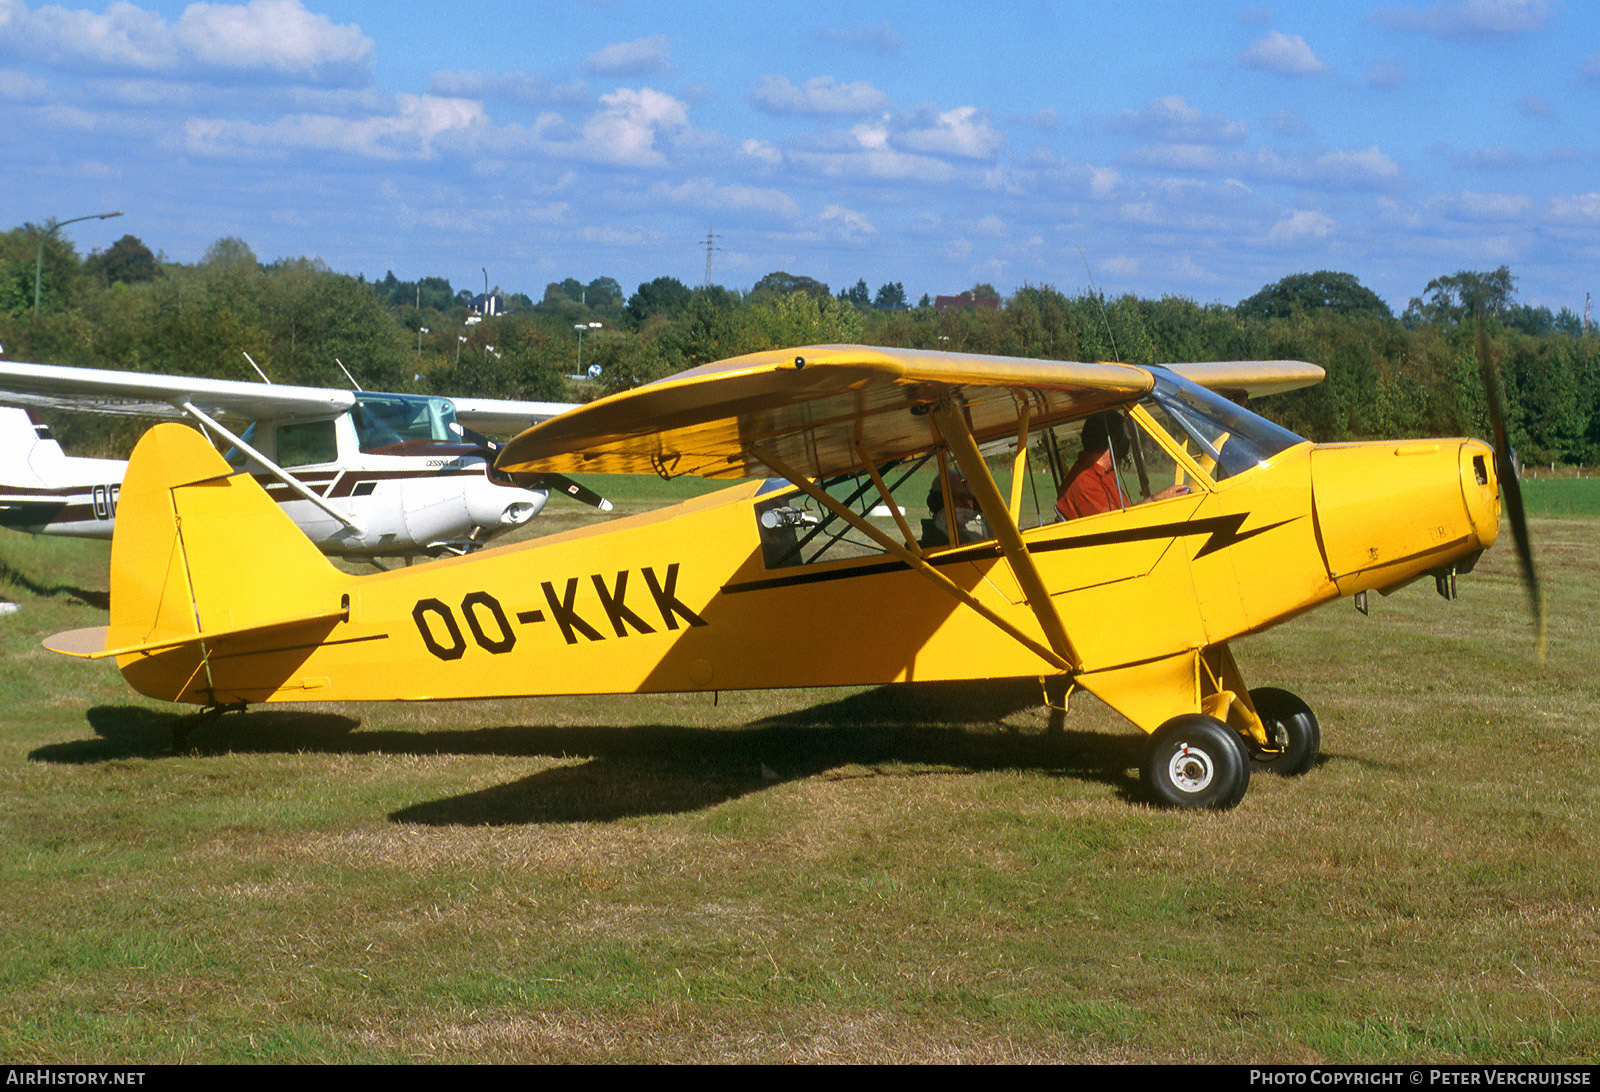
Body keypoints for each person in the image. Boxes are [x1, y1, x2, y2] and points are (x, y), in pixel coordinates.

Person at [1056, 410, 1189, 520]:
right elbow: (1118, 524)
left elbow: (1124, 514)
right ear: (1113, 442)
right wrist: (1157, 500)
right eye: (1123, 440)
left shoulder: (1104, 473)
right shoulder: (1084, 483)